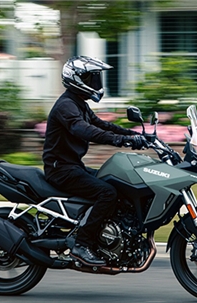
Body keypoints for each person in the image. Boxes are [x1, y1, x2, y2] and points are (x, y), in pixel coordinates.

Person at [42, 56, 146, 266]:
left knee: (115, 182)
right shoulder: (66, 106)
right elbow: (83, 129)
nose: (96, 84)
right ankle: (81, 245)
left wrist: (134, 135)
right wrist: (120, 140)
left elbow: (102, 125)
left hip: (72, 167)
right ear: (77, 79)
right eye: (92, 78)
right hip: (60, 170)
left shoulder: (78, 104)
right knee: (107, 192)